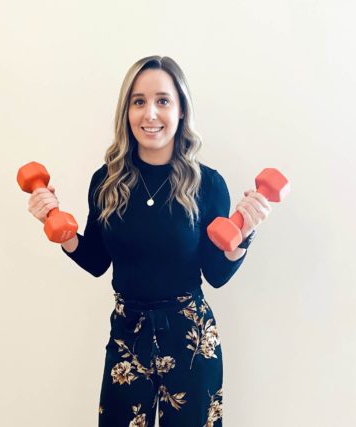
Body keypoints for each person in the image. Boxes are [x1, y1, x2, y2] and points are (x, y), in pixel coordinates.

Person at [28, 55, 271, 427]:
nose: (150, 114)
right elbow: (96, 260)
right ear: (126, 111)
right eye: (139, 101)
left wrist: (245, 233)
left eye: (162, 100)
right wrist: (55, 225)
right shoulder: (107, 181)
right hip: (128, 333)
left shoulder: (207, 184)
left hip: (190, 337)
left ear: (181, 110)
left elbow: (217, 273)